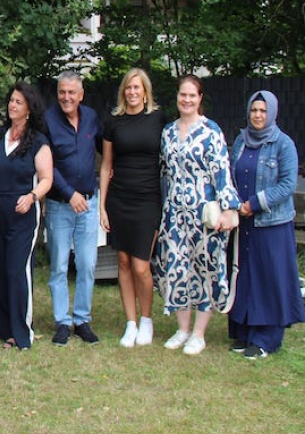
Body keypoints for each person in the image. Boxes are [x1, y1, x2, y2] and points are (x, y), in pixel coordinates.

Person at [153, 75, 240, 356]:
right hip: (175, 212)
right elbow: (162, 172)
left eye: (192, 95)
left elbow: (222, 172)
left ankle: (199, 334)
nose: (187, 100)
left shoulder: (211, 131)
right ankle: (182, 328)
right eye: (182, 95)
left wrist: (228, 209)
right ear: (177, 97)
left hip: (204, 212)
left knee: (204, 268)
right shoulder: (167, 132)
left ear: (200, 98)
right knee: (177, 266)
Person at [229, 90, 305, 358]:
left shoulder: (283, 144)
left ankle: (267, 339)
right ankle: (245, 332)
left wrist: (255, 203)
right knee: (246, 277)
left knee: (269, 280)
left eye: (263, 111)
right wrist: (237, 203)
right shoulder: (241, 140)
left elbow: (287, 184)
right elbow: (230, 173)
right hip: (244, 223)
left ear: (271, 113)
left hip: (271, 224)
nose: (258, 115)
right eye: (254, 110)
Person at [99, 69, 166, 347]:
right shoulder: (113, 122)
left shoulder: (159, 119)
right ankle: (131, 322)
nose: (132, 92)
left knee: (140, 265)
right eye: (128, 88)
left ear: (145, 91)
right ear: (123, 91)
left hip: (148, 199)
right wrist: (102, 206)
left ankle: (147, 319)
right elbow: (106, 165)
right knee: (123, 262)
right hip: (119, 199)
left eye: (137, 88)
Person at [0, 82, 53, 350]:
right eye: (11, 100)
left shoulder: (38, 141)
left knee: (17, 270)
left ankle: (21, 331)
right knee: (0, 270)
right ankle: (6, 331)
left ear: (29, 108)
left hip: (23, 211)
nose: (12, 105)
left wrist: (32, 196)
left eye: (18, 101)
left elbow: (47, 178)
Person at [44, 71, 103, 346]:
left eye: (71, 93)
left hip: (89, 204)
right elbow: (46, 164)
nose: (66, 98)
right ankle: (62, 322)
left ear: (81, 95)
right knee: (58, 264)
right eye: (62, 92)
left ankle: (82, 319)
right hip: (60, 204)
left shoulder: (91, 117)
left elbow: (105, 151)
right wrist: (69, 194)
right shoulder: (48, 120)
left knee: (87, 264)